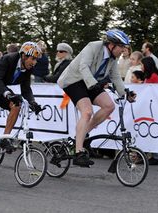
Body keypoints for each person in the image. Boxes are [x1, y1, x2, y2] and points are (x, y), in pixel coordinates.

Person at [57, 29, 136, 167]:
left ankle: (82, 134)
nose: (123, 50)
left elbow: (115, 76)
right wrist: (93, 84)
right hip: (74, 80)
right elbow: (83, 67)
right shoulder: (93, 46)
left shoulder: (113, 59)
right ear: (112, 45)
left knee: (109, 106)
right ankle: (78, 152)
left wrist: (125, 94)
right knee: (87, 112)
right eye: (122, 47)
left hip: (90, 82)